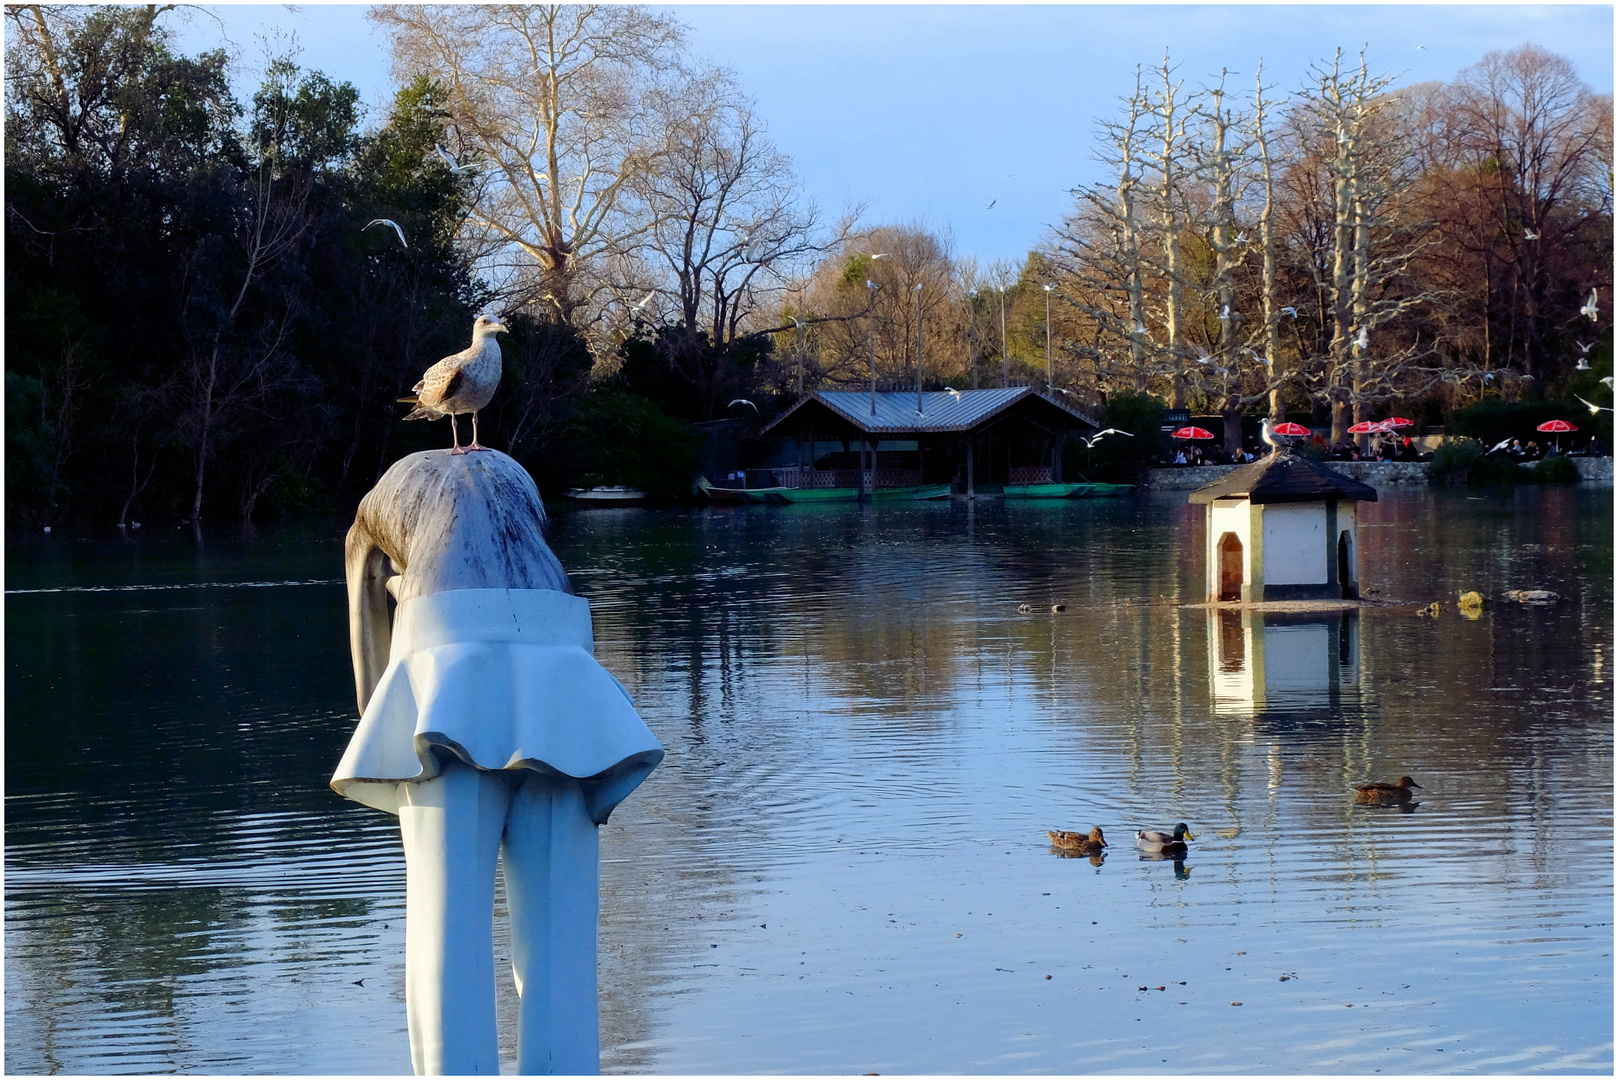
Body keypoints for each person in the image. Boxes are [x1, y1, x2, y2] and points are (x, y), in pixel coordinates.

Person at [335, 449, 663, 1075]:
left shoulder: (375, 506)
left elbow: (364, 620)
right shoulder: (515, 473)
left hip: (445, 655)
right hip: (557, 654)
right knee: (560, 937)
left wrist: (386, 732)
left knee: (446, 927)